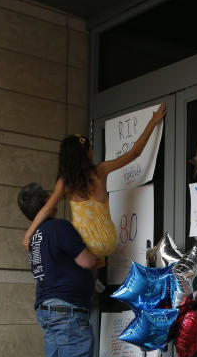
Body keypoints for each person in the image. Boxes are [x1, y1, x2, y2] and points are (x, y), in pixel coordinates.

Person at [20, 103, 166, 258]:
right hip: (108, 241)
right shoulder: (100, 171)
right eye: (89, 149)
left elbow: (47, 209)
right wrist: (153, 122)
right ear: (84, 154)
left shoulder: (66, 182)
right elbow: (134, 153)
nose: (92, 151)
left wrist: (28, 234)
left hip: (84, 246)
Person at [19, 183, 101, 357]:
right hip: (67, 308)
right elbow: (86, 260)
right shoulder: (58, 227)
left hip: (47, 307)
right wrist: (102, 259)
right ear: (47, 200)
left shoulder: (35, 235)